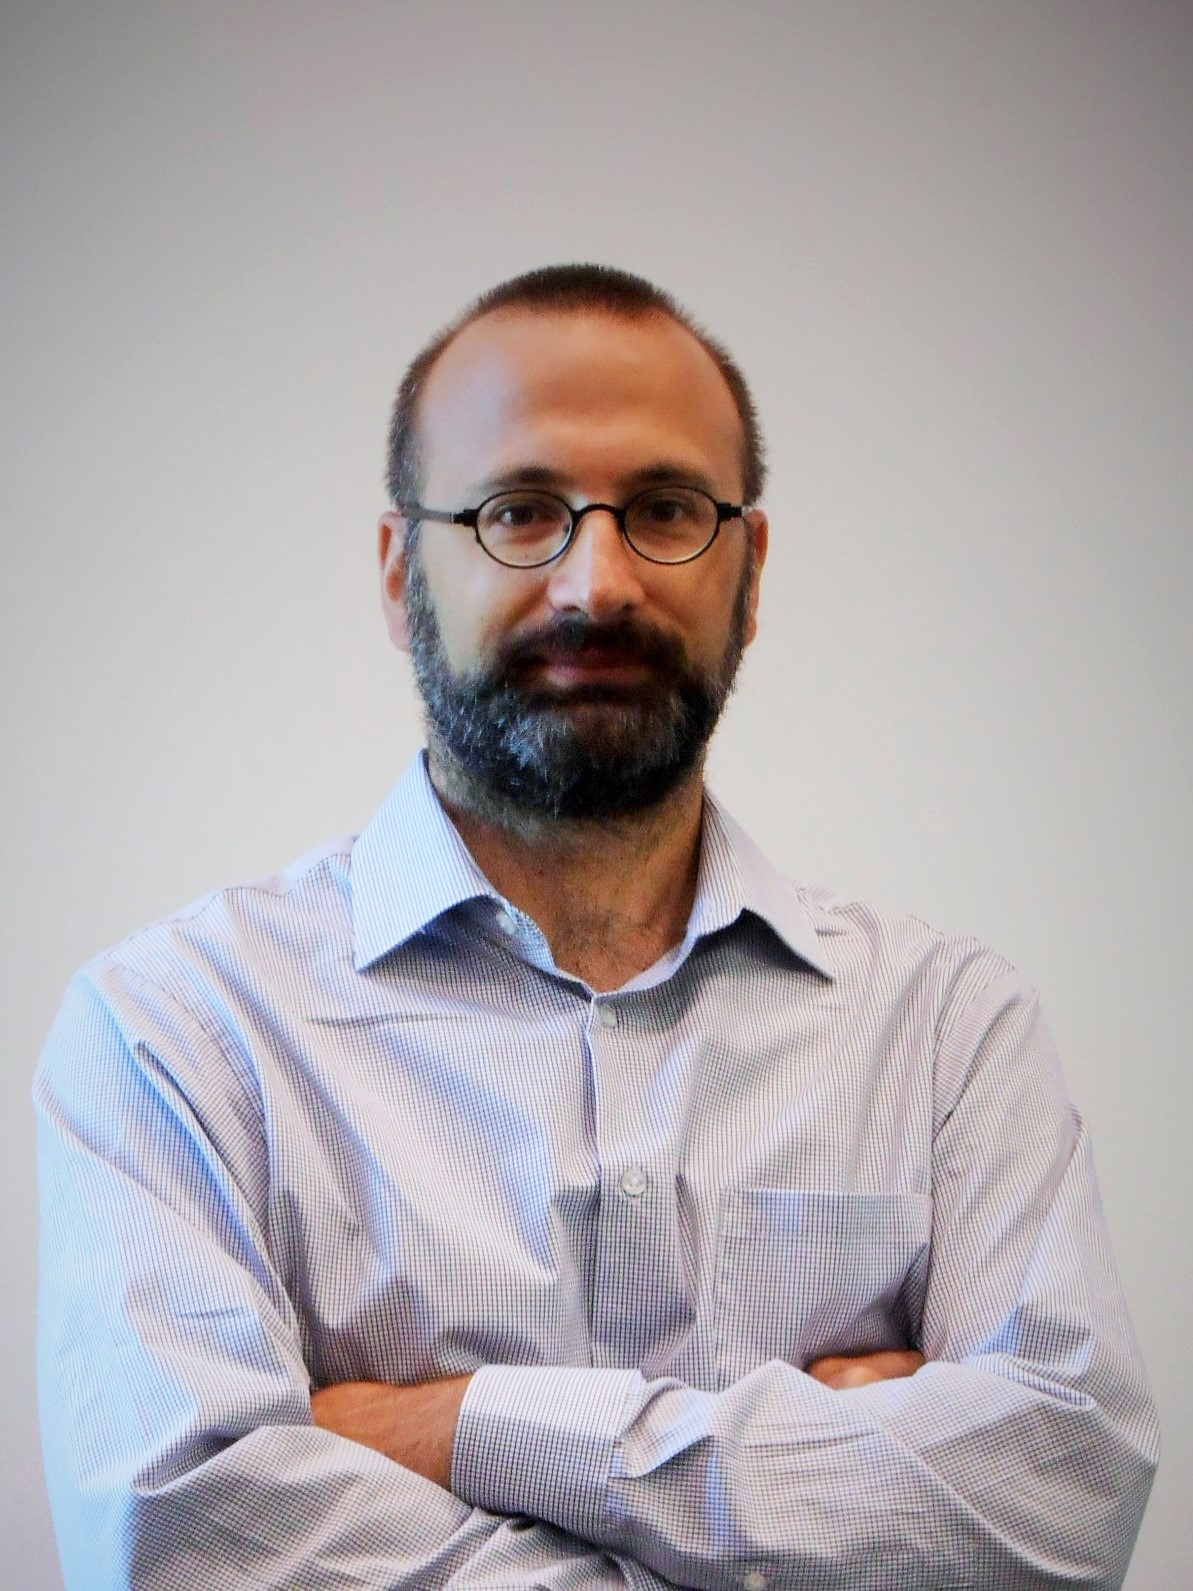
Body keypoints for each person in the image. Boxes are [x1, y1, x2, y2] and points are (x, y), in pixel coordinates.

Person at [36, 264, 1158, 1590]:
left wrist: (449, 1428)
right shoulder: (183, 1031)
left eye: (667, 510)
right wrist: (836, 1472)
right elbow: (180, 1549)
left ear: (748, 572)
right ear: (401, 576)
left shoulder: (946, 1028)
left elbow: (1062, 1499)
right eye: (519, 511)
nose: (597, 582)